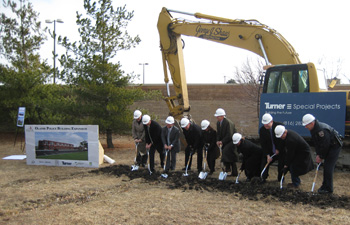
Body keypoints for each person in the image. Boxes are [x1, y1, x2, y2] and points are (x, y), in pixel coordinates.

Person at [302, 114, 343, 194]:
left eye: (306, 125)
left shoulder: (321, 130)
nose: (305, 127)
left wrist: (321, 156)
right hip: (329, 146)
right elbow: (317, 143)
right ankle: (324, 185)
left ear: (311, 123)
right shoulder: (313, 129)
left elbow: (325, 145)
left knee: (328, 167)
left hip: (334, 146)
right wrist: (318, 154)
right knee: (326, 167)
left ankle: (328, 189)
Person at [259, 113, 285, 182]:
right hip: (270, 151)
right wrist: (267, 155)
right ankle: (263, 178)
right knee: (264, 162)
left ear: (271, 121)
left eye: (267, 123)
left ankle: (280, 179)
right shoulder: (262, 130)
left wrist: (278, 149)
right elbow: (263, 144)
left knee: (281, 164)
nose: (266, 125)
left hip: (281, 150)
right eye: (264, 124)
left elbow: (283, 140)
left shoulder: (279, 126)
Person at [215, 108, 238, 176]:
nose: (217, 117)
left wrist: (222, 141)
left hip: (231, 141)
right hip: (225, 142)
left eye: (218, 116)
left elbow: (230, 134)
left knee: (230, 156)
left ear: (222, 116)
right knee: (225, 154)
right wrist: (218, 141)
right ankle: (227, 168)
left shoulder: (228, 123)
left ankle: (233, 171)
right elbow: (218, 133)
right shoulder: (218, 123)